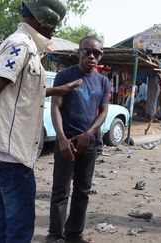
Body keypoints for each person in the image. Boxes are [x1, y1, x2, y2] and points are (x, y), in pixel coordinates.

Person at [0, 1, 78, 242]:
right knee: (19, 230)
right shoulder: (20, 46)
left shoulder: (29, 48)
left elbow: (20, 92)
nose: (53, 32)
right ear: (42, 22)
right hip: (11, 160)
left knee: (6, 223)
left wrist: (58, 89)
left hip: (10, 157)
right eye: (53, 27)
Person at [47, 36, 109, 243]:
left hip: (87, 143)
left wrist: (89, 134)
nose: (92, 56)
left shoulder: (103, 81)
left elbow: (103, 111)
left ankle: (74, 234)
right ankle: (55, 235)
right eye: (87, 51)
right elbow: (55, 106)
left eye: (97, 53)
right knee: (60, 191)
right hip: (66, 142)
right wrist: (62, 138)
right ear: (78, 52)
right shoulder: (64, 76)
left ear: (101, 55)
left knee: (82, 191)